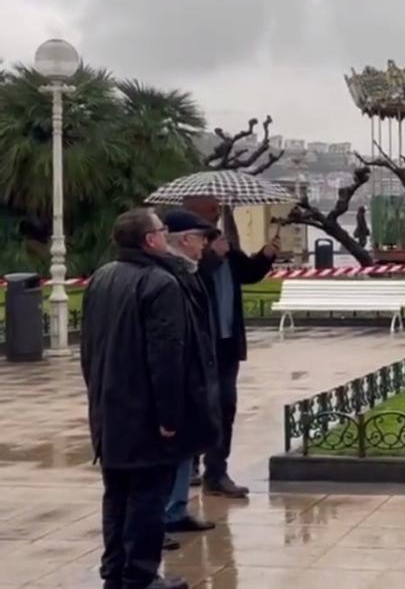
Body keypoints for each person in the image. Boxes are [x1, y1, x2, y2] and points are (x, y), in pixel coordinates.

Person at [80, 209, 192, 589]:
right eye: (162, 230)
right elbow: (166, 355)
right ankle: (140, 575)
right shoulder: (160, 283)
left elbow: (88, 349)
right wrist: (169, 415)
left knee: (117, 496)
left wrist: (95, 394)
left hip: (108, 407)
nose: (166, 235)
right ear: (150, 240)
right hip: (143, 411)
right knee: (146, 497)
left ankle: (115, 571)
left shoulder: (102, 278)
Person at [181, 196, 278, 498]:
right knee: (194, 408)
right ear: (193, 208)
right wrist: (210, 257)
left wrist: (264, 257)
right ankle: (189, 466)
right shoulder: (185, 248)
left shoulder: (223, 242)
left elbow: (247, 273)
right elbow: (187, 281)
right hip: (198, 345)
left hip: (225, 344)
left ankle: (217, 471)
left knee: (225, 406)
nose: (216, 210)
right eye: (211, 206)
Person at [160, 211, 223, 538]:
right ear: (185, 240)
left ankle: (176, 510)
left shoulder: (189, 271)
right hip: (178, 376)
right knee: (168, 453)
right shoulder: (167, 276)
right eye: (201, 238)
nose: (204, 245)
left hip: (195, 374)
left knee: (186, 448)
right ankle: (161, 519)